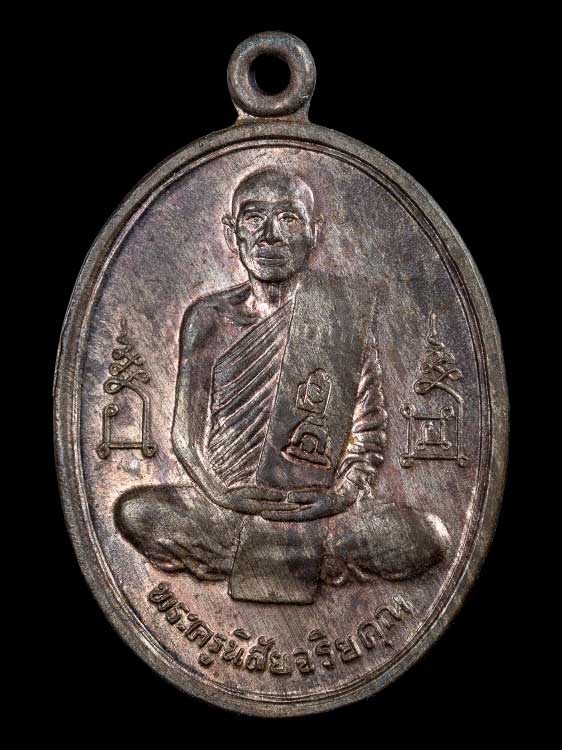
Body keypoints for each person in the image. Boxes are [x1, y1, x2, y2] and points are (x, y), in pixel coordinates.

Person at [115, 168, 449, 603]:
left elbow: (366, 433)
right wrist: (224, 495)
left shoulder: (342, 316)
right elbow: (185, 438)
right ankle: (304, 559)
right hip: (229, 508)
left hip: (319, 510)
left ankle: (273, 554)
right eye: (254, 218)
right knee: (136, 512)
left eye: (288, 218)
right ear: (232, 233)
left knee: (427, 535)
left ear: (314, 232)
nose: (269, 235)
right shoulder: (207, 319)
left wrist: (338, 498)